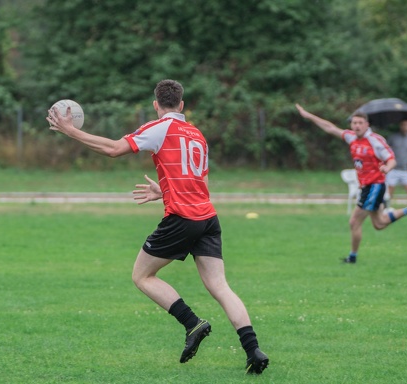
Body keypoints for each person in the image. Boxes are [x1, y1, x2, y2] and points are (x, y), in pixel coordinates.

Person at [47, 80, 269, 374]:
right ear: (182, 105)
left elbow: (114, 149)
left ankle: (193, 323)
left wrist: (71, 131)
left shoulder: (159, 128)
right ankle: (253, 350)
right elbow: (200, 183)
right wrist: (163, 191)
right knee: (220, 286)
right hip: (207, 219)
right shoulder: (198, 135)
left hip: (182, 219)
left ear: (156, 105)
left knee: (142, 276)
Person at [295, 104, 407, 263]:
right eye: (354, 123)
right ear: (351, 125)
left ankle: (352, 257)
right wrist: (308, 116)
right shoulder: (351, 137)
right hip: (367, 187)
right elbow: (330, 127)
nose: (357, 126)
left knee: (354, 222)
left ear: (367, 124)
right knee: (379, 223)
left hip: (375, 186)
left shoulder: (375, 140)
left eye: (360, 123)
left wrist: (387, 168)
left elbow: (392, 160)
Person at [385, 119, 407, 207]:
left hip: (404, 170)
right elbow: (385, 151)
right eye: (403, 125)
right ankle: (385, 209)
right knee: (389, 193)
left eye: (406, 125)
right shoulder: (393, 137)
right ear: (400, 126)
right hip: (393, 170)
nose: (405, 127)